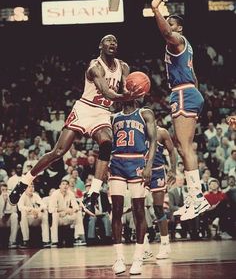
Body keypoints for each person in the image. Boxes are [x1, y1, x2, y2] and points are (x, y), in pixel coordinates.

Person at [9, 34, 143, 212]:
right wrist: (125, 96)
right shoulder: (95, 67)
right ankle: (24, 182)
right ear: (100, 46)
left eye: (115, 41)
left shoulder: (123, 66)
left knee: (107, 143)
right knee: (58, 151)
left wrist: (134, 90)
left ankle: (92, 195)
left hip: (102, 113)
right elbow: (107, 92)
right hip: (84, 109)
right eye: (108, 40)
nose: (112, 43)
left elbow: (124, 88)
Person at [151, 0, 210, 220]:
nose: (169, 27)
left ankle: (198, 198)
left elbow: (167, 33)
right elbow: (194, 75)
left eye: (172, 24)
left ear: (180, 28)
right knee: (183, 146)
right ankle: (193, 198)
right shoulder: (185, 48)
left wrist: (156, 10)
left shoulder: (176, 40)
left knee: (185, 147)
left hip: (184, 93)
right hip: (188, 92)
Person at [109, 100, 157, 275]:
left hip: (137, 161)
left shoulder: (145, 113)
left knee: (139, 210)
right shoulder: (113, 117)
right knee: (116, 210)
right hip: (117, 163)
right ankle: (119, 258)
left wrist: (149, 165)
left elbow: (153, 141)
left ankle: (138, 258)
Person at [144, 125, 176, 259]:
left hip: (157, 171)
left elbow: (172, 151)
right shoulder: (137, 130)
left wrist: (173, 170)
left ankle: (165, 245)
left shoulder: (161, 132)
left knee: (158, 208)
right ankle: (144, 247)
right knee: (138, 208)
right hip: (141, 172)